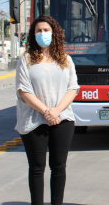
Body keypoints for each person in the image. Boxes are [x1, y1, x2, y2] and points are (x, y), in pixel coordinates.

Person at [15, 15, 80, 205]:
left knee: (59, 167)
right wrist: (47, 111)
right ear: (33, 35)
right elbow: (24, 91)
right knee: (37, 168)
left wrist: (57, 110)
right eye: (38, 31)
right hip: (34, 121)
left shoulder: (65, 60)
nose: (42, 34)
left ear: (54, 33)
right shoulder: (26, 59)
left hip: (62, 120)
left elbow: (73, 88)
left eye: (46, 30)